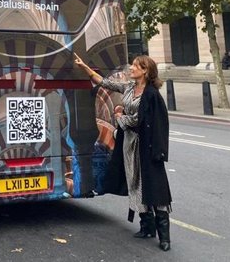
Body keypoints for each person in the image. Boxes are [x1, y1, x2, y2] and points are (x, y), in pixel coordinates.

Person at [74, 53, 172, 251]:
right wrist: (85, 67)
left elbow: (144, 120)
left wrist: (120, 117)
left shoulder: (152, 94)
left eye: (135, 66)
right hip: (128, 144)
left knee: (154, 186)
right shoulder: (129, 88)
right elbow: (104, 83)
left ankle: (164, 237)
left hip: (147, 147)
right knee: (134, 182)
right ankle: (146, 226)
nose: (131, 68)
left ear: (145, 71)